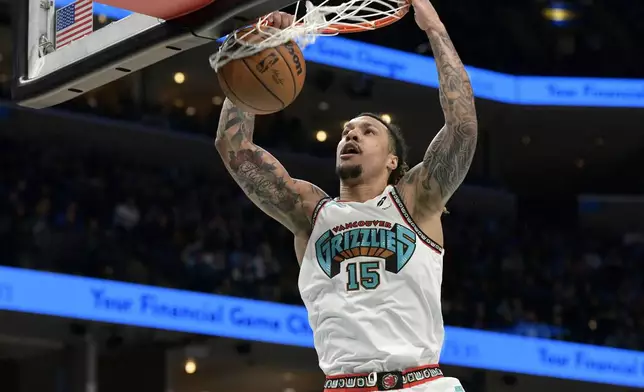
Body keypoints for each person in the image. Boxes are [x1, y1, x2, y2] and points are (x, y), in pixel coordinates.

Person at [214, 0, 477, 389]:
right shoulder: (309, 212)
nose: (350, 134)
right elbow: (234, 148)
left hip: (418, 383)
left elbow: (463, 127)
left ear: (392, 162)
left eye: (367, 131)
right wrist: (259, 48)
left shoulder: (415, 201)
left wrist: (436, 30)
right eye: (346, 131)